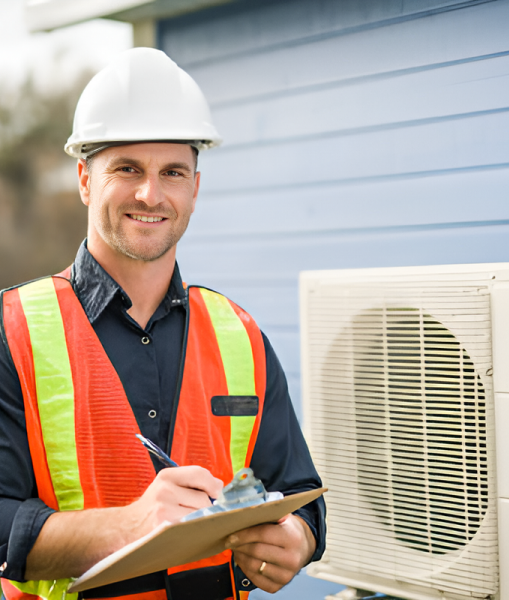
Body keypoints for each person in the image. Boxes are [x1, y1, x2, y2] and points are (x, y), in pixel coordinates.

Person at [0, 48, 325, 600]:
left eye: (172, 172)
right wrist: (131, 526)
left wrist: (297, 536)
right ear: (84, 179)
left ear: (194, 188)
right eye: (127, 169)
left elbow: (299, 495)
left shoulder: (240, 336)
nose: (151, 194)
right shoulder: (13, 331)